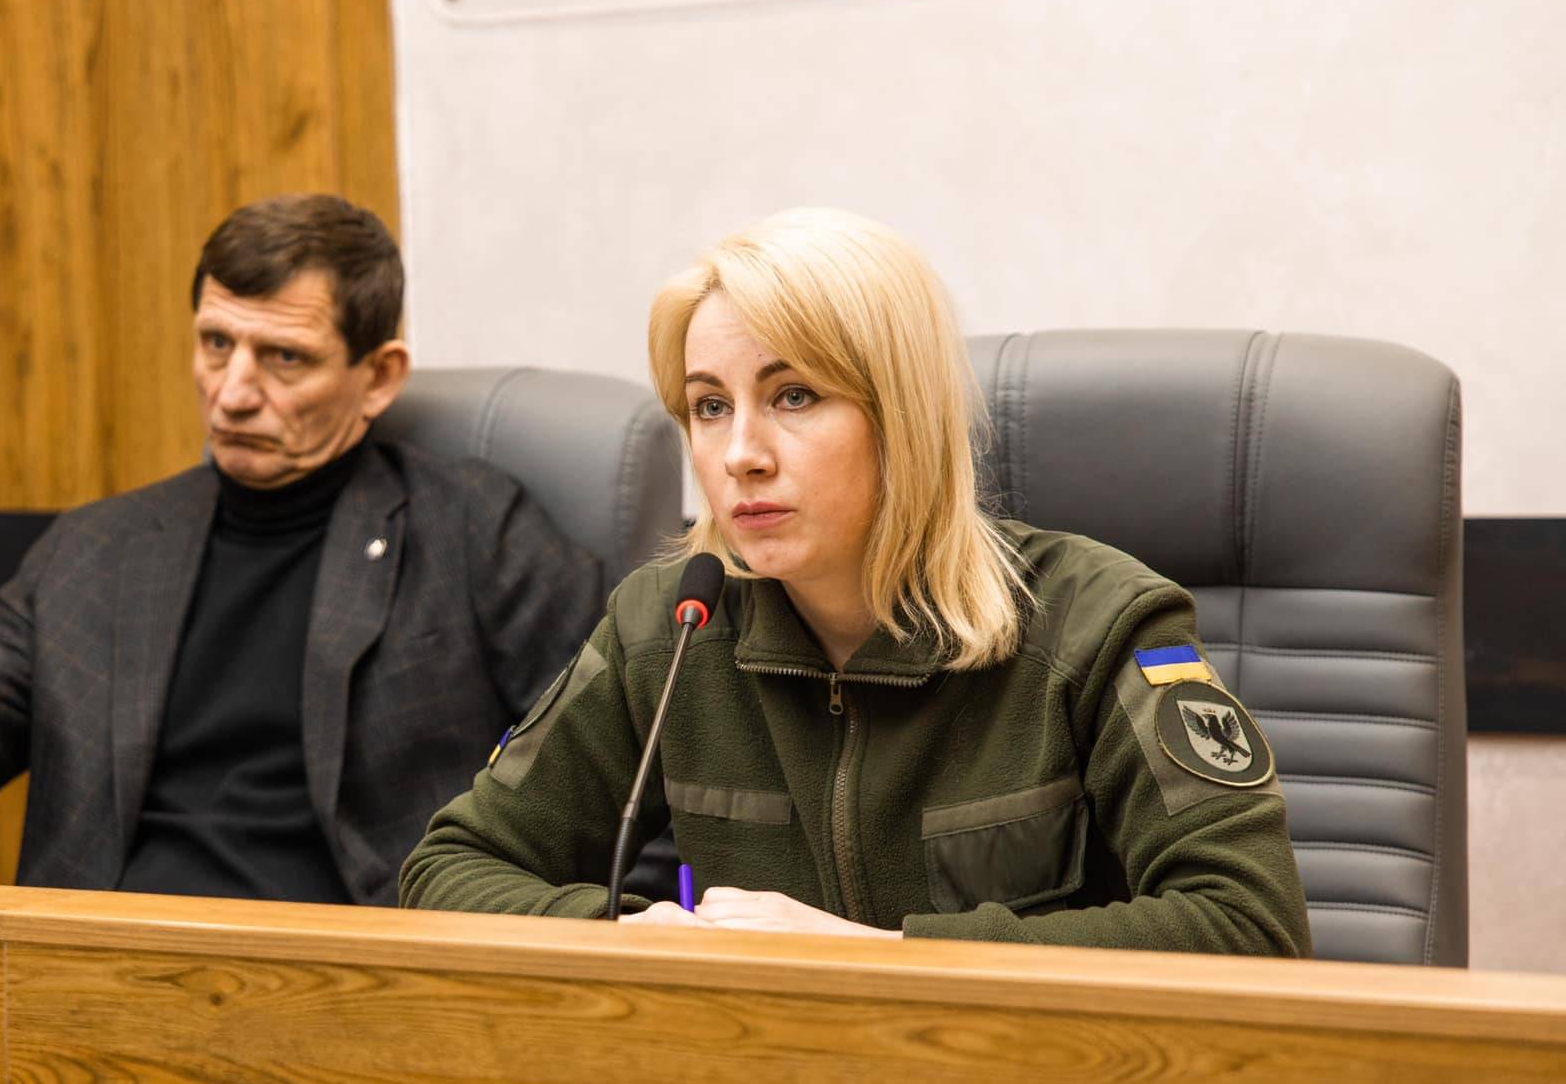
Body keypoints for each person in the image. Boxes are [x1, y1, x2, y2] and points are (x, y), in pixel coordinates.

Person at [0, 194, 605, 902]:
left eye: (284, 358)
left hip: (352, 981)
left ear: (379, 376)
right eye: (216, 344)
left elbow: (612, 758)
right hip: (97, 972)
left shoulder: (473, 533)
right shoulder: (99, 549)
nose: (233, 392)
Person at [401, 208, 1311, 954]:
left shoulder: (1096, 624)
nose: (740, 454)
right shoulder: (671, 626)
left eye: (794, 396)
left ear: (902, 418)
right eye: (710, 406)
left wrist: (883, 955)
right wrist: (643, 935)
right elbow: (451, 868)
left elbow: (1249, 925)